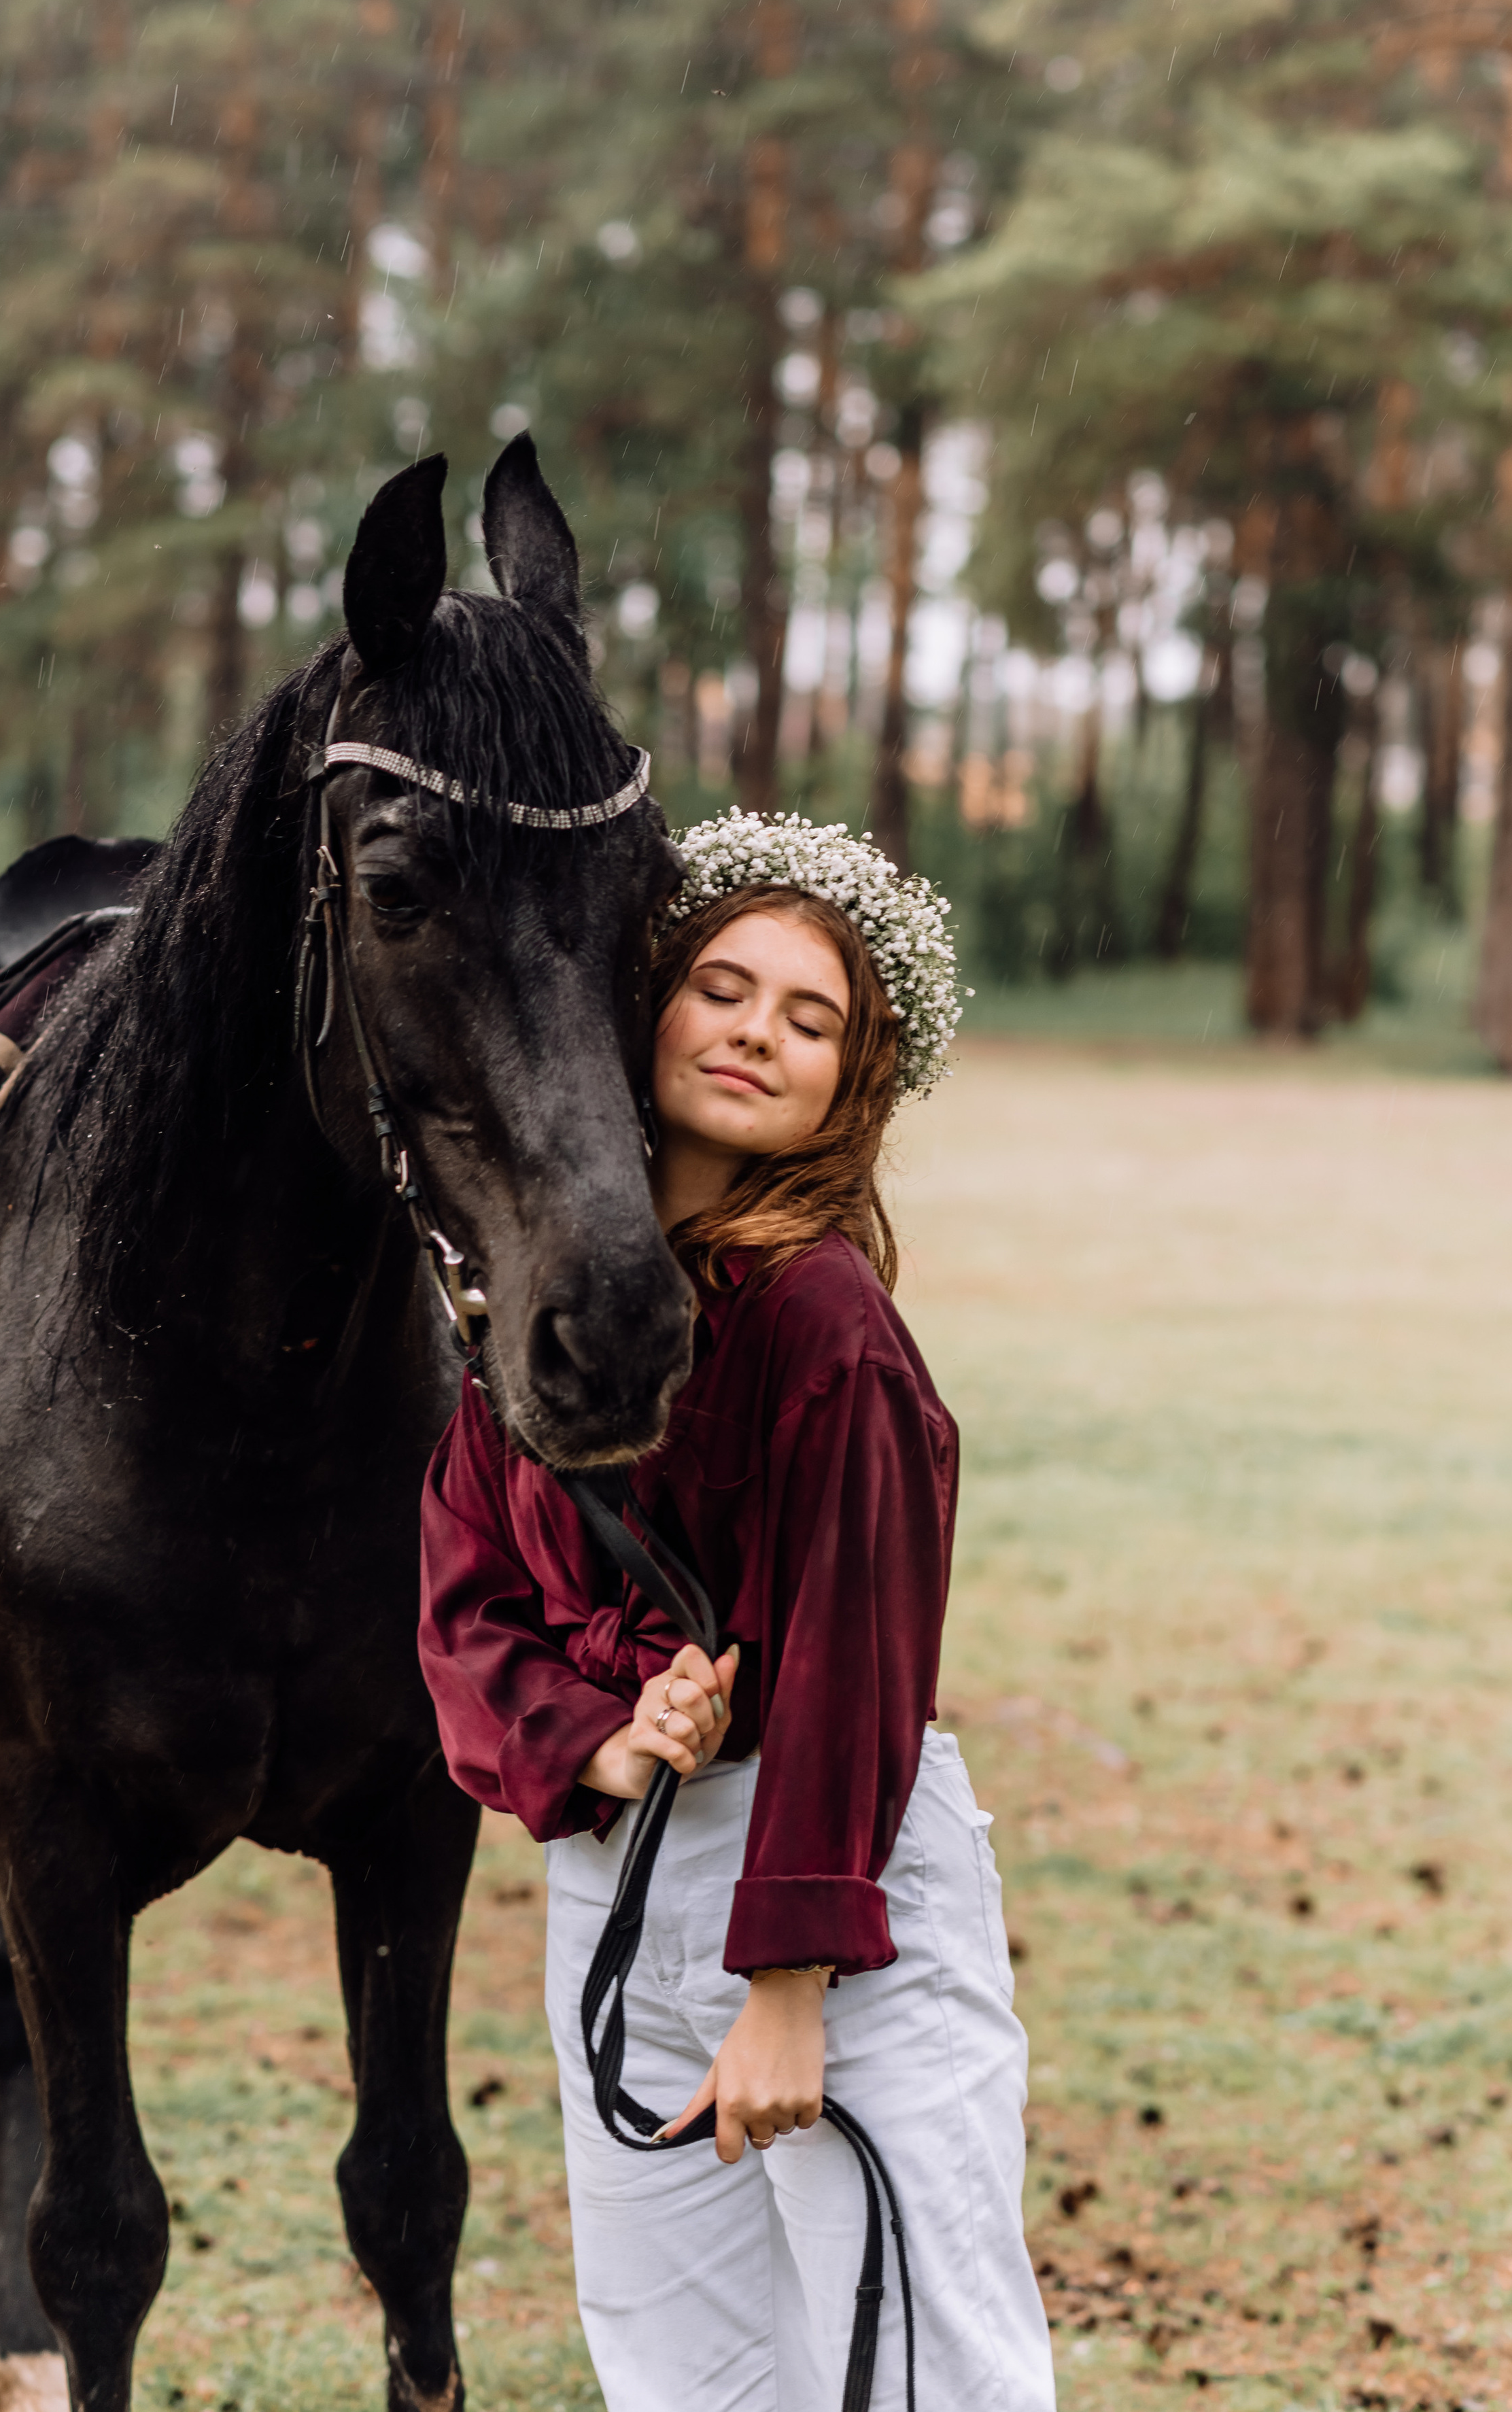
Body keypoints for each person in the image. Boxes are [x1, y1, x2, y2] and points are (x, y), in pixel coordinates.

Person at [418, 810, 1056, 2411]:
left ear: (852, 1083)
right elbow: (461, 1588)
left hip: (829, 1891)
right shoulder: (532, 1304)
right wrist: (604, 1737)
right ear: (647, 1013)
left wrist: (786, 1987)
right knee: (680, 2374)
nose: (756, 1032)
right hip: (613, 1884)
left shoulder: (824, 1322)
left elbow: (854, 1663)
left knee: (914, 2367)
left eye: (809, 1018)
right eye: (721, 989)